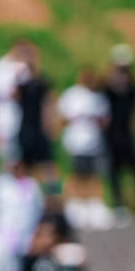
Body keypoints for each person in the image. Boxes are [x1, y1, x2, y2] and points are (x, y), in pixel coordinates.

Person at [57, 67, 111, 226]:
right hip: (76, 142)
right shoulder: (72, 95)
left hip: (94, 143)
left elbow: (105, 119)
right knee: (76, 174)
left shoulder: (98, 97)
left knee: (93, 174)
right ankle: (74, 204)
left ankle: (93, 205)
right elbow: (61, 117)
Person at [102, 45, 135, 217]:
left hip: (128, 134)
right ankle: (118, 204)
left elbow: (134, 84)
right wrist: (114, 65)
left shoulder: (132, 90)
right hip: (112, 135)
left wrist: (128, 68)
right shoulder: (109, 91)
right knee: (113, 172)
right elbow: (106, 83)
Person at [14, 45, 56, 187]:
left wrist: (49, 127)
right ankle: (27, 197)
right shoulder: (20, 84)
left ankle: (52, 201)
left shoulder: (42, 82)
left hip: (39, 129)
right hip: (25, 128)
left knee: (47, 167)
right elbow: (12, 97)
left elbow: (48, 104)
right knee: (25, 167)